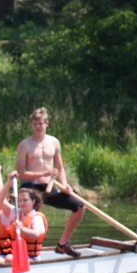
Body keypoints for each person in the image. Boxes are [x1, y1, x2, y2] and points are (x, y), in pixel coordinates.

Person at [16, 106, 84, 257]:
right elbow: (20, 173)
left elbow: (60, 168)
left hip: (50, 186)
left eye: (40, 123)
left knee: (79, 206)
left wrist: (65, 185)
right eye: (35, 124)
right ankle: (16, 248)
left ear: (47, 123)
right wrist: (44, 173)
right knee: (18, 213)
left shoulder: (54, 142)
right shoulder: (25, 145)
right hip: (31, 187)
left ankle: (62, 243)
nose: (38, 126)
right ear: (31, 125)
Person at [0, 170, 48, 261]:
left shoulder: (37, 218)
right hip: (17, 254)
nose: (22, 203)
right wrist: (9, 181)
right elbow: (0, 200)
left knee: (9, 258)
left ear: (33, 201)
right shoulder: (16, 213)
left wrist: (22, 228)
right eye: (19, 200)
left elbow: (36, 234)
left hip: (31, 257)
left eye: (25, 200)